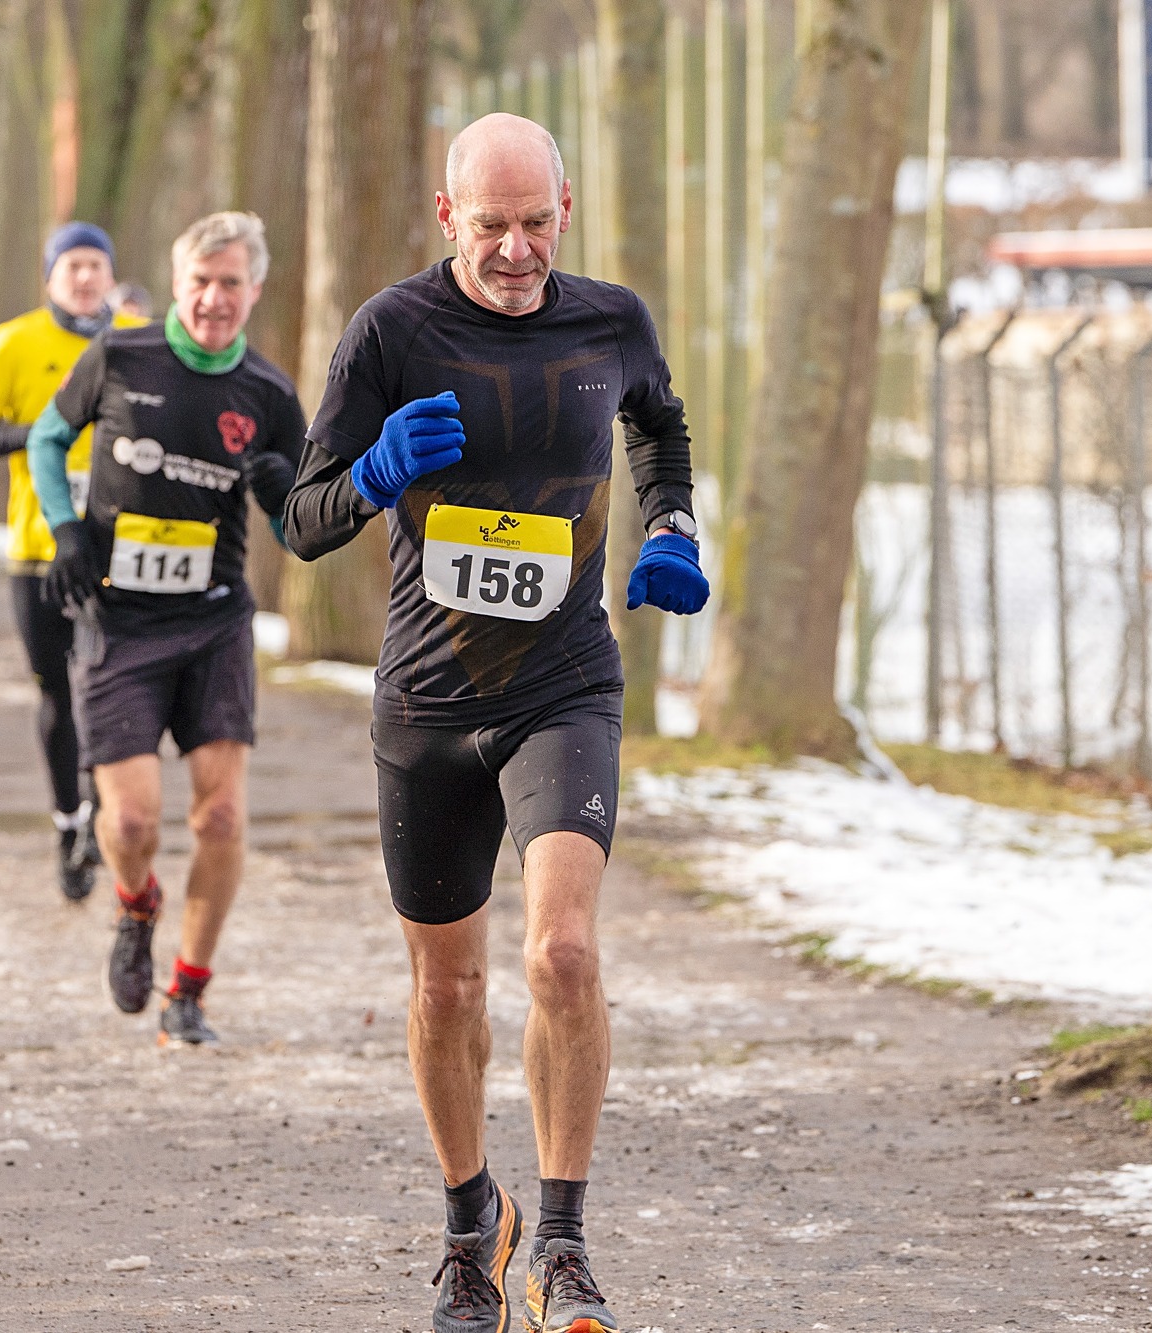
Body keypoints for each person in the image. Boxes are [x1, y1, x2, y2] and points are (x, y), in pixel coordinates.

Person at [281, 113, 710, 1333]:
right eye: (489, 227)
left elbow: (658, 425)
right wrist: (373, 473)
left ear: (563, 210)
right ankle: (473, 1224)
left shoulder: (610, 321)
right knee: (447, 989)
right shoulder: (390, 331)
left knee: (562, 955)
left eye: (534, 223)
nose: (515, 250)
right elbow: (301, 520)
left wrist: (671, 525)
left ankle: (562, 1243)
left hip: (562, 685)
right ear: (445, 217)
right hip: (426, 702)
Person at [27, 211, 303, 1046]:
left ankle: (188, 990)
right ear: (177, 282)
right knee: (131, 823)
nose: (214, 298)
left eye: (231, 283)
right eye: (201, 282)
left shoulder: (269, 393)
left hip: (214, 622)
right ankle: (135, 903)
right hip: (119, 620)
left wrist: (282, 493)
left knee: (220, 817)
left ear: (255, 290)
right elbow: (46, 439)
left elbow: (301, 529)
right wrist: (65, 531)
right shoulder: (122, 354)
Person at [0, 223, 140, 902]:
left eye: (96, 264)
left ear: (112, 275)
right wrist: (42, 435)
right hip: (38, 552)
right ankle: (68, 820)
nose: (85, 277)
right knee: (57, 693)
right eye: (72, 266)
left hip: (121, 552)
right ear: (50, 277)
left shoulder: (139, 339)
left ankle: (101, 815)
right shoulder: (15, 341)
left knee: (112, 688)